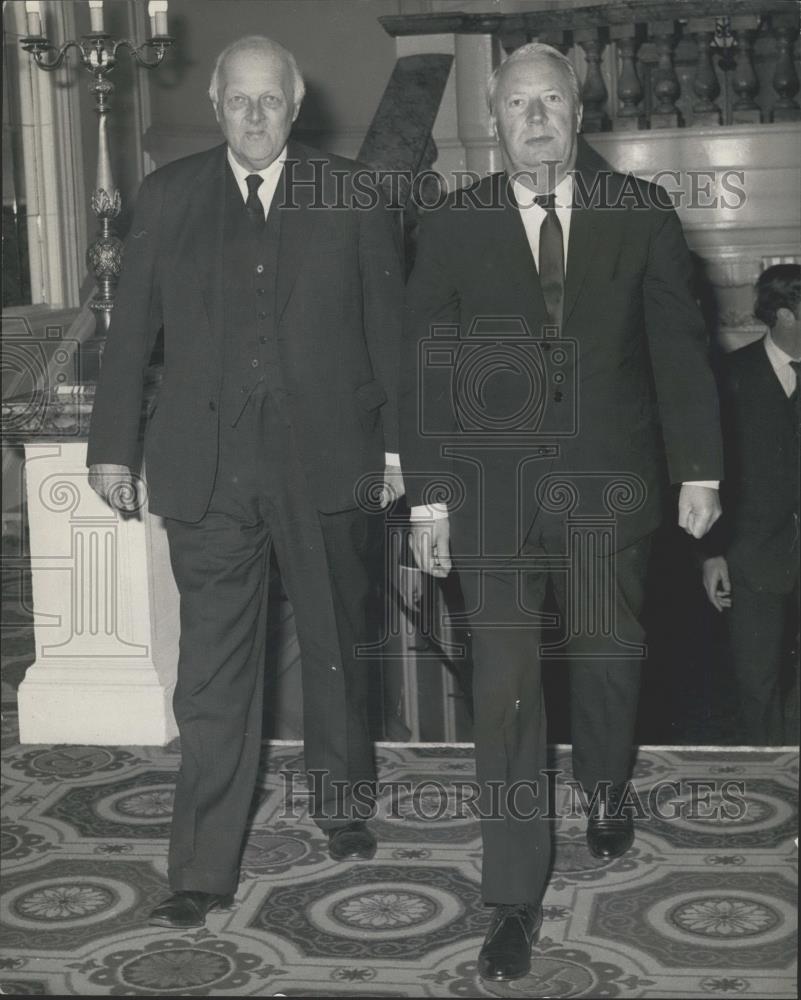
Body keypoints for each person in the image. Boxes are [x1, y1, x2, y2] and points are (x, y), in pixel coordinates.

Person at [399, 42, 723, 982]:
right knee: (503, 694)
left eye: (550, 101)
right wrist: (427, 497)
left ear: (579, 116)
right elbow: (428, 368)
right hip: (492, 502)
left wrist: (697, 470)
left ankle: (605, 787)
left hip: (606, 490)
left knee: (605, 664)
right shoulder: (454, 225)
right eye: (515, 105)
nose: (534, 117)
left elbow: (677, 351)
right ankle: (509, 897)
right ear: (492, 124)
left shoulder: (641, 215)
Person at [87, 35, 404, 929]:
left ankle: (342, 804)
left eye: (271, 101)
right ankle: (200, 863)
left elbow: (390, 336)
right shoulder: (168, 195)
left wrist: (393, 456)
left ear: (295, 106)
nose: (256, 116)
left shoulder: (354, 194)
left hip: (329, 461)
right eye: (239, 101)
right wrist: (112, 449)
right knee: (212, 674)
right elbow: (130, 335)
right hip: (208, 469)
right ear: (218, 106)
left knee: (339, 644)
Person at [702, 264, 800, 745]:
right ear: (785, 315)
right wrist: (712, 552)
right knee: (755, 680)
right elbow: (707, 475)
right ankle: (770, 779)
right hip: (752, 557)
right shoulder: (729, 378)